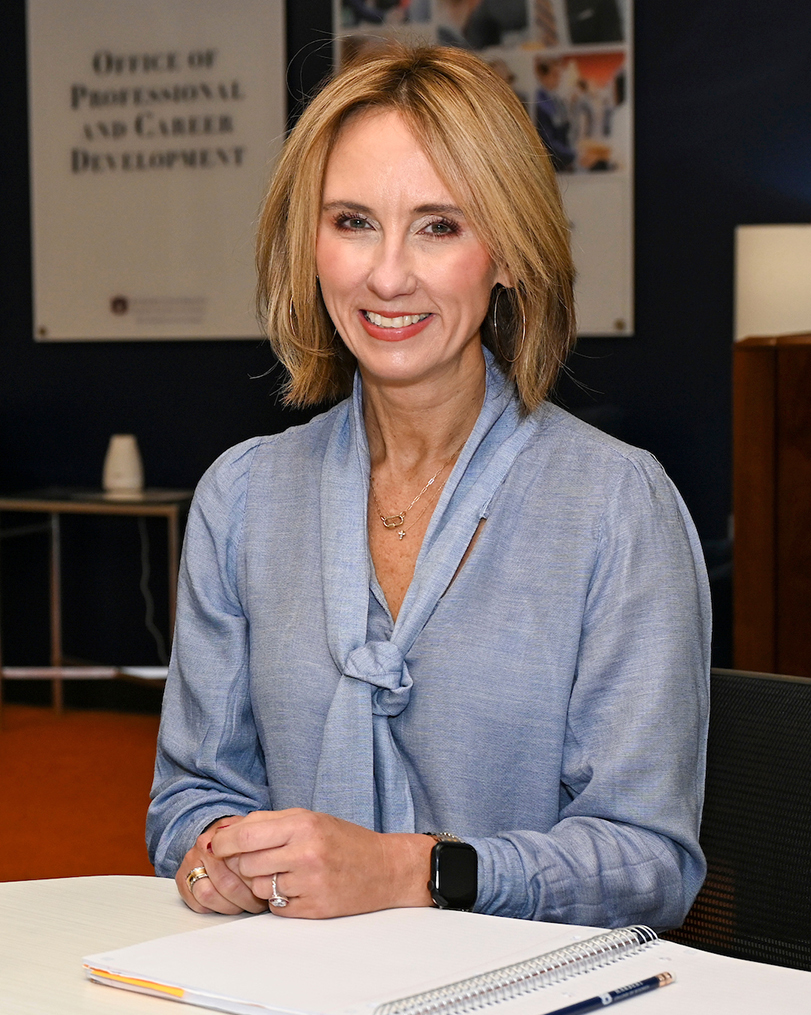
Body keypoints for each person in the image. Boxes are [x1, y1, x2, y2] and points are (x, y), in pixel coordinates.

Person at [148, 44, 709, 930]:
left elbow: (649, 861)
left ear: (511, 255)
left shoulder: (615, 507)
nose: (388, 274)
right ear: (310, 244)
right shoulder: (242, 498)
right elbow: (190, 800)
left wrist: (416, 870)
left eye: (440, 225)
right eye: (353, 221)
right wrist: (220, 856)